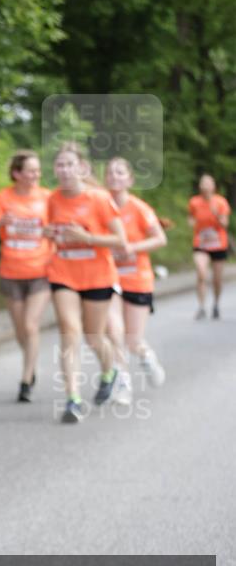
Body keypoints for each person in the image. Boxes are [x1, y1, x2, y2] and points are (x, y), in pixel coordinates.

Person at [44, 144, 127, 423]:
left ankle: (109, 371)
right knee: (70, 331)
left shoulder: (100, 199)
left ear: (81, 168)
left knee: (94, 337)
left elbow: (120, 241)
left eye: (69, 164)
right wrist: (49, 233)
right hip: (63, 272)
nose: (64, 170)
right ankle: (73, 399)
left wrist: (87, 237)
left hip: (97, 275)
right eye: (60, 165)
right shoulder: (52, 199)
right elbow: (49, 231)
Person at [0, 150, 51, 401]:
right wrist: (0, 221)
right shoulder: (3, 198)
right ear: (16, 174)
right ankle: (30, 363)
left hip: (41, 271)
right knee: (21, 329)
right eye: (31, 170)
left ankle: (25, 379)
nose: (36, 175)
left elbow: (58, 227)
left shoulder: (47, 197)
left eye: (38, 170)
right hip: (11, 271)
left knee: (31, 325)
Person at [105, 158, 167, 391]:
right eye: (110, 173)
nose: (114, 177)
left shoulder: (139, 208)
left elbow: (160, 239)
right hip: (110, 279)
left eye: (120, 173)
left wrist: (132, 248)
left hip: (138, 279)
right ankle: (123, 381)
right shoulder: (102, 207)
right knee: (114, 332)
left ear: (130, 179)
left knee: (133, 341)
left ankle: (146, 356)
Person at [188, 174, 231, 319]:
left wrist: (217, 214)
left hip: (218, 244)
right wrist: (191, 223)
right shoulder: (194, 202)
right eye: (203, 183)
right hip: (201, 243)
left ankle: (216, 304)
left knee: (217, 279)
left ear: (213, 186)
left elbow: (225, 224)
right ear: (200, 186)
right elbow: (191, 217)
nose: (205, 186)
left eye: (208, 183)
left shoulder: (220, 202)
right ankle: (201, 307)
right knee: (201, 273)